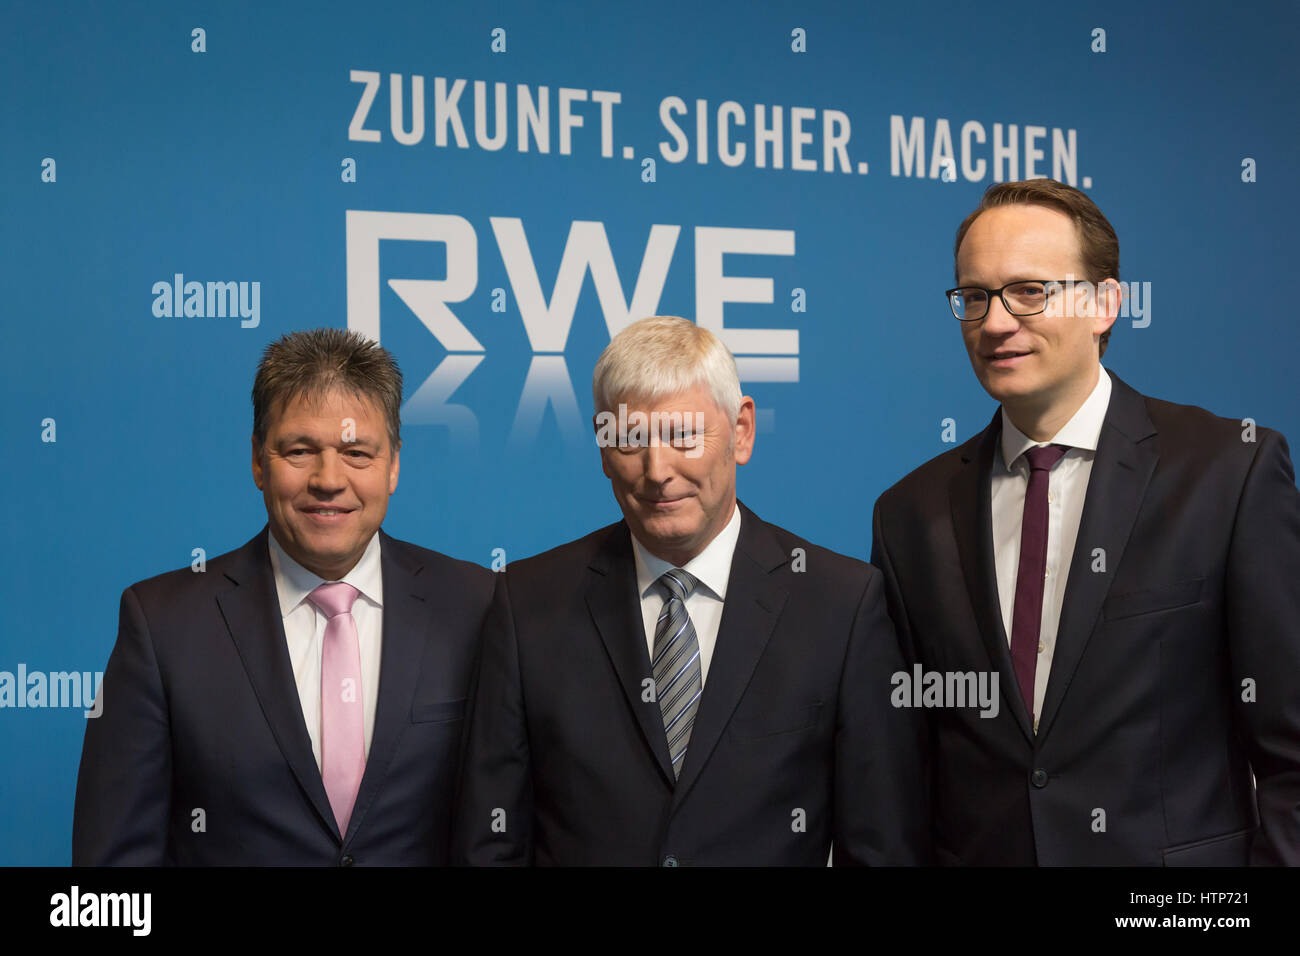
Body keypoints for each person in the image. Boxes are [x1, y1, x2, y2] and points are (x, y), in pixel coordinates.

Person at [871, 179, 1300, 865]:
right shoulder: (910, 516)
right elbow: (899, 770)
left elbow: (1291, 750)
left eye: (1030, 291)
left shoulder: (1228, 473)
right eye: (974, 297)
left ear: (1105, 304)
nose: (995, 323)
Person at [453, 315, 927, 865]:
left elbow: (881, 844)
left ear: (742, 431)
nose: (658, 470)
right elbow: (490, 842)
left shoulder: (841, 603)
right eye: (631, 438)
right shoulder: (526, 602)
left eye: (683, 434)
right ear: (603, 447)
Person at [73, 328, 493, 865]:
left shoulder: (479, 606)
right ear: (257, 460)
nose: (328, 479)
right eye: (300, 450)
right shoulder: (160, 625)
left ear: (393, 465)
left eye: (356, 452)